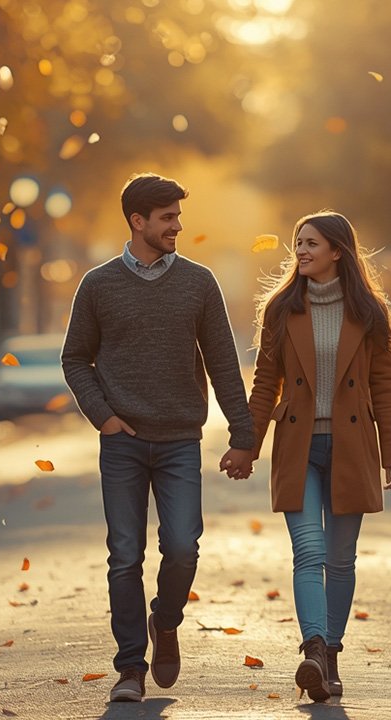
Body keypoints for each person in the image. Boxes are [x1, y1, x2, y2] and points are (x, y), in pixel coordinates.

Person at [62, 172, 255, 703]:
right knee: (125, 555)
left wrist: (243, 434)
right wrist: (103, 417)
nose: (177, 227)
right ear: (138, 220)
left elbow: (223, 363)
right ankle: (130, 668)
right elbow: (75, 358)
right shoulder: (98, 284)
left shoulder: (199, 283)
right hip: (122, 442)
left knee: (182, 547)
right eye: (167, 218)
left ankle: (165, 622)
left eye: (178, 217)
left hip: (179, 441)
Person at [231, 210, 391, 702]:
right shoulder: (282, 309)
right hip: (299, 446)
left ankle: (329, 655)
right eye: (298, 243)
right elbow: (265, 384)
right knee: (309, 551)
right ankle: (312, 649)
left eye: (311, 243)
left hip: (353, 447)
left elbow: (383, 388)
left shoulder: (369, 312)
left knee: (341, 560)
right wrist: (247, 445)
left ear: (337, 251)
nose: (301, 251)